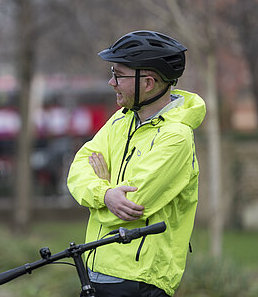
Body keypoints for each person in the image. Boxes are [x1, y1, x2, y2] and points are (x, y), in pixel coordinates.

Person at [67, 30, 206, 297]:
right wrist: (106, 193)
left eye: (118, 74)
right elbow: (77, 171)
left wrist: (101, 191)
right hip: (95, 266)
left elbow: (131, 206)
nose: (111, 82)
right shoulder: (120, 120)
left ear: (149, 82)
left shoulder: (175, 137)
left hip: (139, 279)